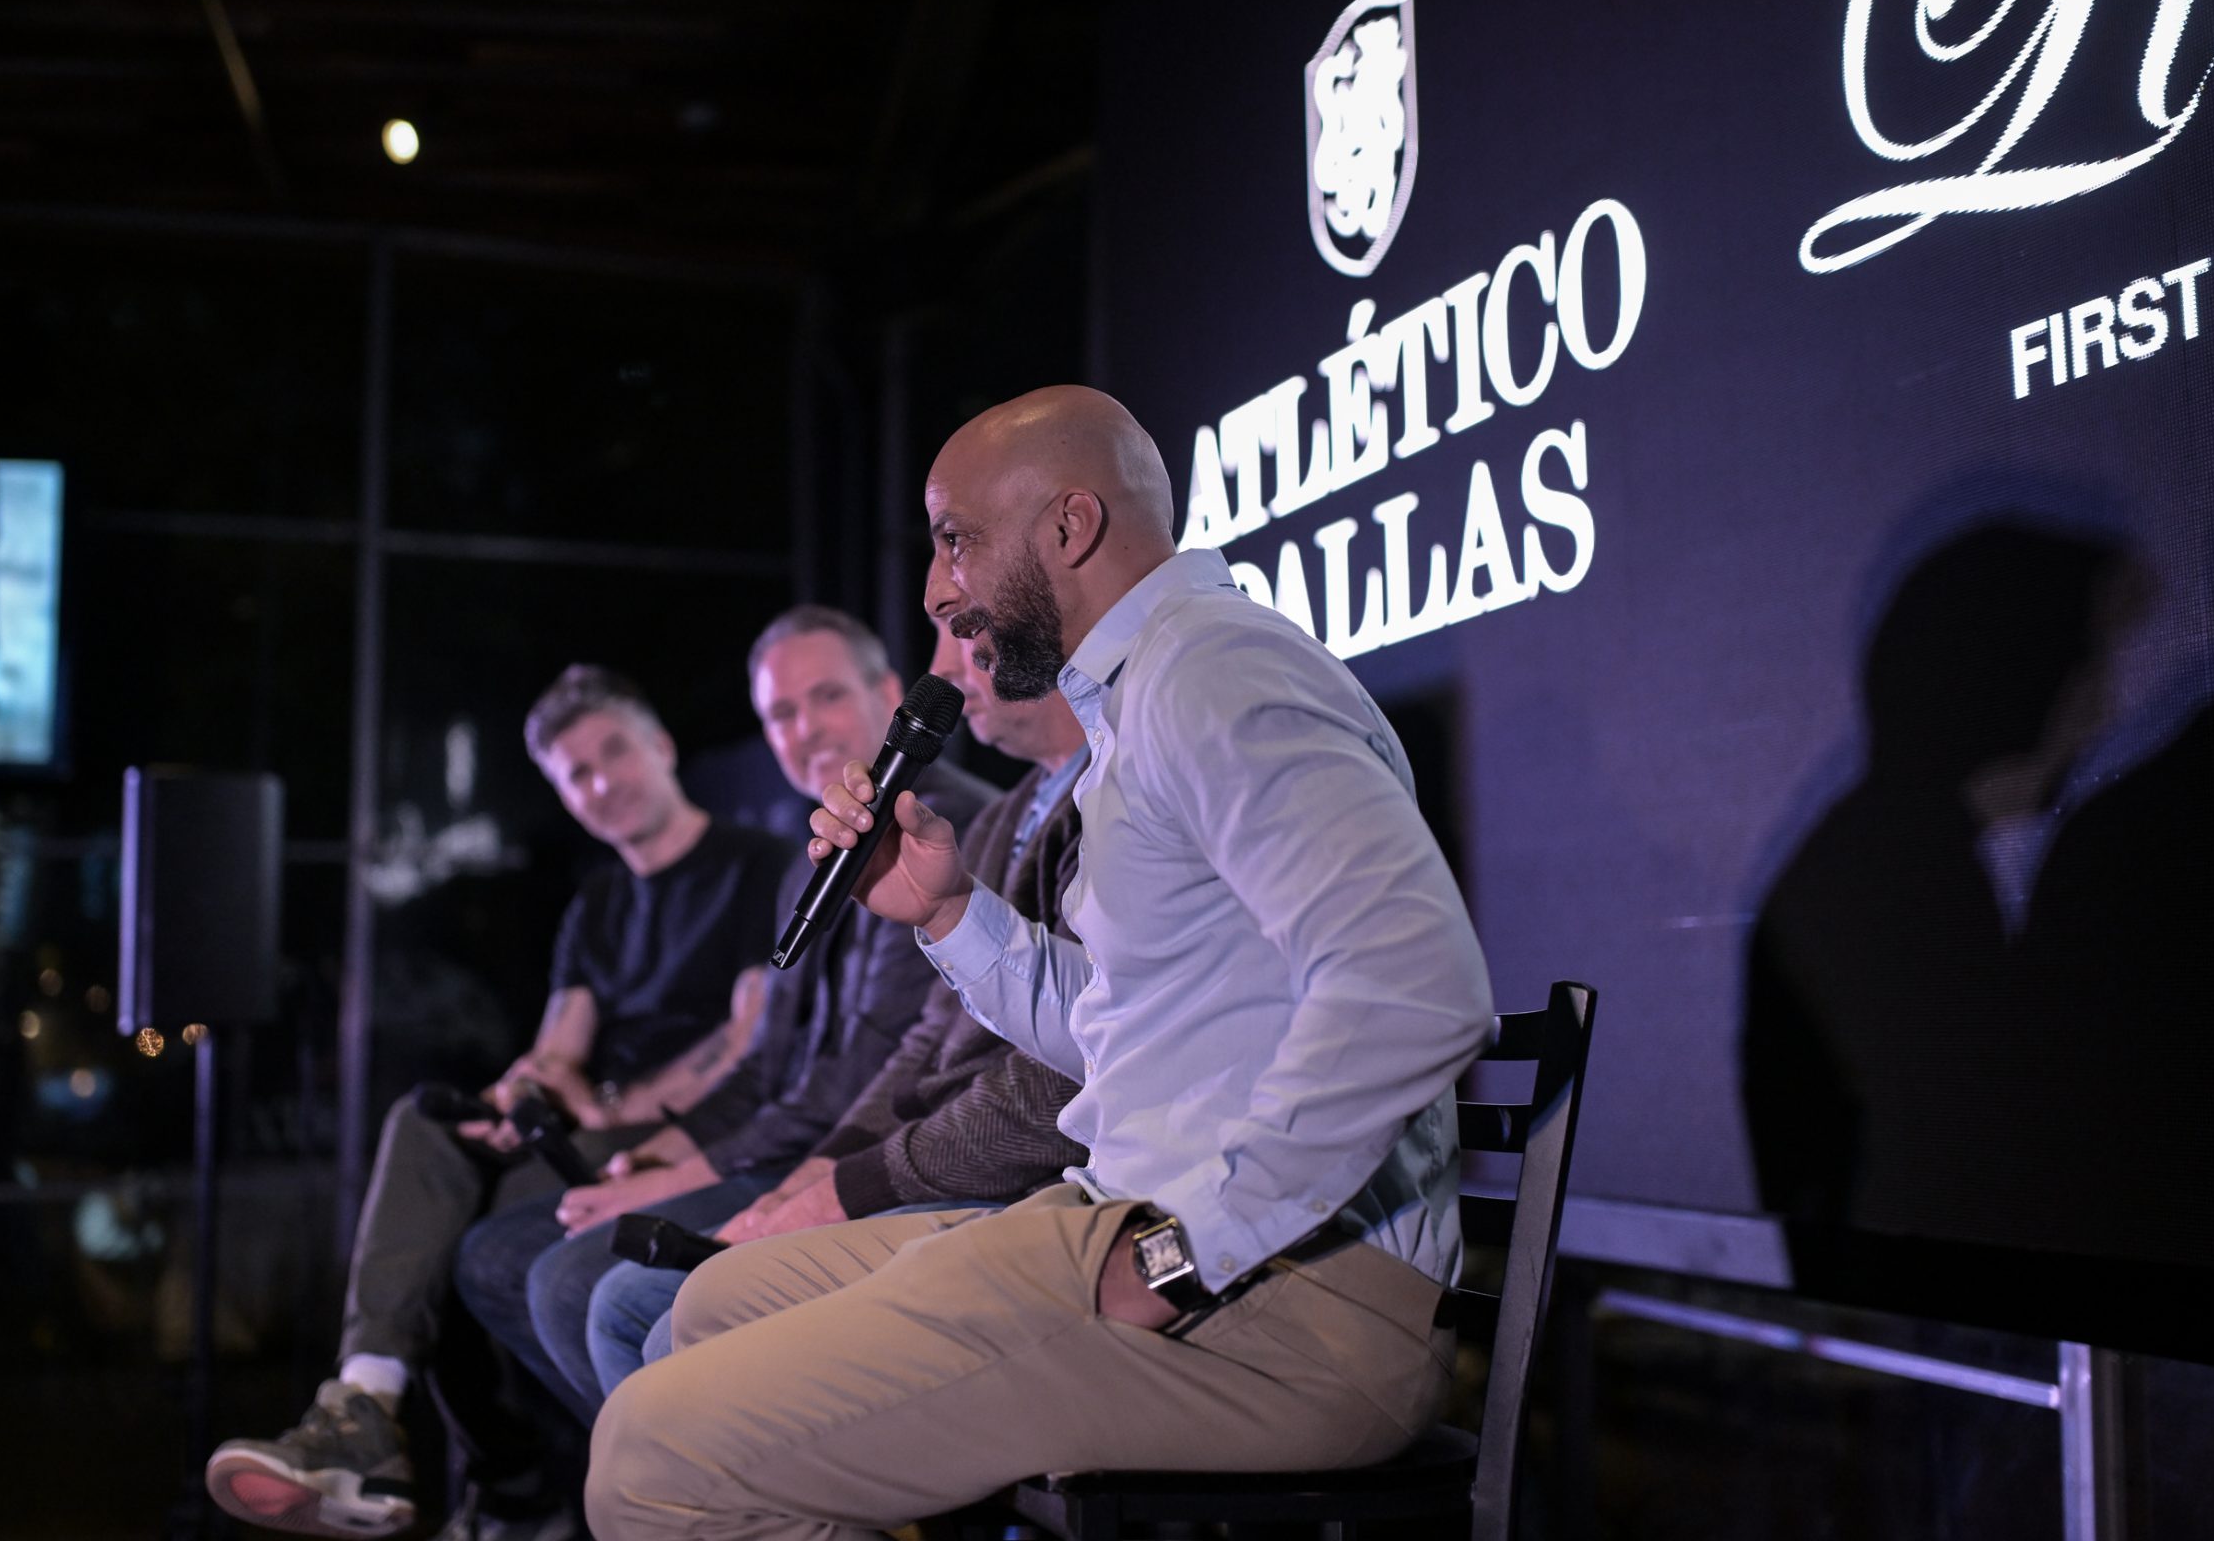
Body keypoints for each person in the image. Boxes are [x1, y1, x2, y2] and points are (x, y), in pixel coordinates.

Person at [585, 385, 1495, 1541]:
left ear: (1068, 528)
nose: (933, 588)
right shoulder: (1138, 701)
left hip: (1286, 1302)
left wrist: (1183, 1255)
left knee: (647, 1458)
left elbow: (1415, 985)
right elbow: (1130, 1032)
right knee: (710, 1300)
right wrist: (952, 913)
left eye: (955, 539)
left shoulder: (1214, 674)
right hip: (1128, 1220)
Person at [208, 664, 789, 1538]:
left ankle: (512, 1491)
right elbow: (560, 1046)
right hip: (592, 1125)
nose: (601, 783)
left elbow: (751, 1041)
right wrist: (518, 1094)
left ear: (661, 747)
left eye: (613, 754)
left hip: (689, 1137)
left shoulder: (759, 866)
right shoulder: (597, 903)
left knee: (472, 1229)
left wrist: (603, 1107)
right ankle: (364, 1402)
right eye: (577, 775)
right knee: (426, 1123)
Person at [449, 608, 995, 1439]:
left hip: (867, 1161)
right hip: (789, 1148)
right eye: (781, 713)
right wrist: (667, 1150)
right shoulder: (810, 854)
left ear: (889, 694)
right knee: (504, 1257)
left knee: (579, 1289)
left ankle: (694, 1492)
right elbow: (768, 1062)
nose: (804, 728)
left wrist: (703, 1178)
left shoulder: (951, 828)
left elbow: (871, 1077)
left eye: (826, 697)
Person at [579, 616, 1091, 1395]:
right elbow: (916, 1046)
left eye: (967, 637)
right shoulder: (996, 817)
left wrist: (828, 1185)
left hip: (1007, 1180)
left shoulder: (970, 815)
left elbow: (1049, 1076)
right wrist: (803, 1181)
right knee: (615, 1295)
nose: (947, 672)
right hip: (897, 1152)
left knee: (644, 1313)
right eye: (780, 714)